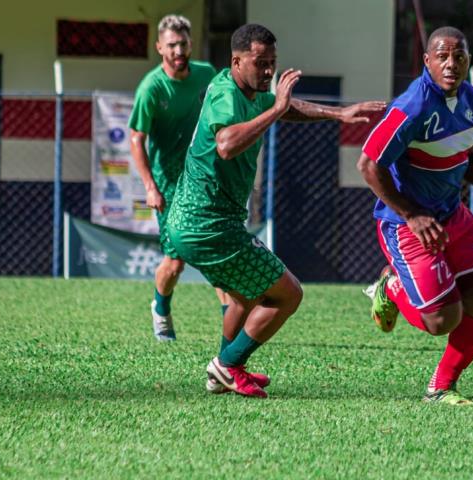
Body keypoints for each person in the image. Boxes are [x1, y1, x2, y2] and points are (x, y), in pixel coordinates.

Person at [165, 23, 385, 397]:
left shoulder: (253, 92)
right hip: (207, 225)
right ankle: (227, 365)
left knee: (244, 296)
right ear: (236, 61)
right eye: (260, 63)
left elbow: (287, 110)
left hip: (207, 223)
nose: (269, 71)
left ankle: (223, 372)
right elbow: (226, 144)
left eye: (273, 63)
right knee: (289, 294)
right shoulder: (225, 91)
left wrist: (339, 113)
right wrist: (278, 107)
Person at [358, 27, 473, 405]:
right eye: (442, 56)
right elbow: (368, 164)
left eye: (458, 56)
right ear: (427, 61)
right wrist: (411, 215)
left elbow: (463, 158)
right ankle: (391, 288)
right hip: (405, 225)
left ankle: (441, 388)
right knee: (442, 321)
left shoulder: (470, 98)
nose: (451, 64)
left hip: (451, 216)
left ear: (469, 60)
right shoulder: (413, 105)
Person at [129, 14, 227, 341]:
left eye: (183, 43)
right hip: (169, 187)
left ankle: (232, 323)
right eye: (171, 45)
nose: (178, 50)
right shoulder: (151, 88)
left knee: (216, 248)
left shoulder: (206, 75)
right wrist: (150, 188)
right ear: (160, 47)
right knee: (176, 262)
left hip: (203, 181)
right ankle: (160, 308)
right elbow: (135, 139)